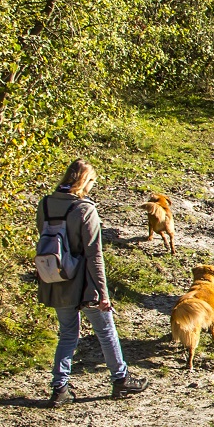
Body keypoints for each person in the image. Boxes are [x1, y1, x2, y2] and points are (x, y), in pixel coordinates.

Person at [37, 159, 148, 407]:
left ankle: (59, 388)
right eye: (92, 182)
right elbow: (94, 254)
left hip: (55, 278)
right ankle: (121, 380)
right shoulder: (85, 209)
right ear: (85, 181)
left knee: (67, 334)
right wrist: (103, 292)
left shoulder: (45, 204)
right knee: (106, 329)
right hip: (85, 282)